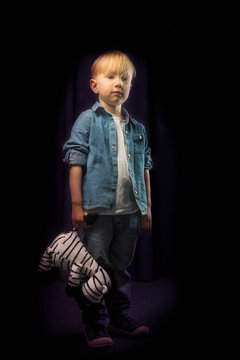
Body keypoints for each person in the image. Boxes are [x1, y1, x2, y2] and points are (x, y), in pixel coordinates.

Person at [63, 50, 153, 348]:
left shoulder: (137, 129)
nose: (119, 83)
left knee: (119, 268)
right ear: (94, 85)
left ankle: (120, 317)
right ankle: (95, 323)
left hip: (129, 212)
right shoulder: (87, 121)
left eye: (125, 78)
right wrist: (77, 205)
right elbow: (76, 162)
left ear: (130, 87)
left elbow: (144, 169)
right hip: (97, 213)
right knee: (95, 269)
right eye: (111, 77)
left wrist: (146, 207)